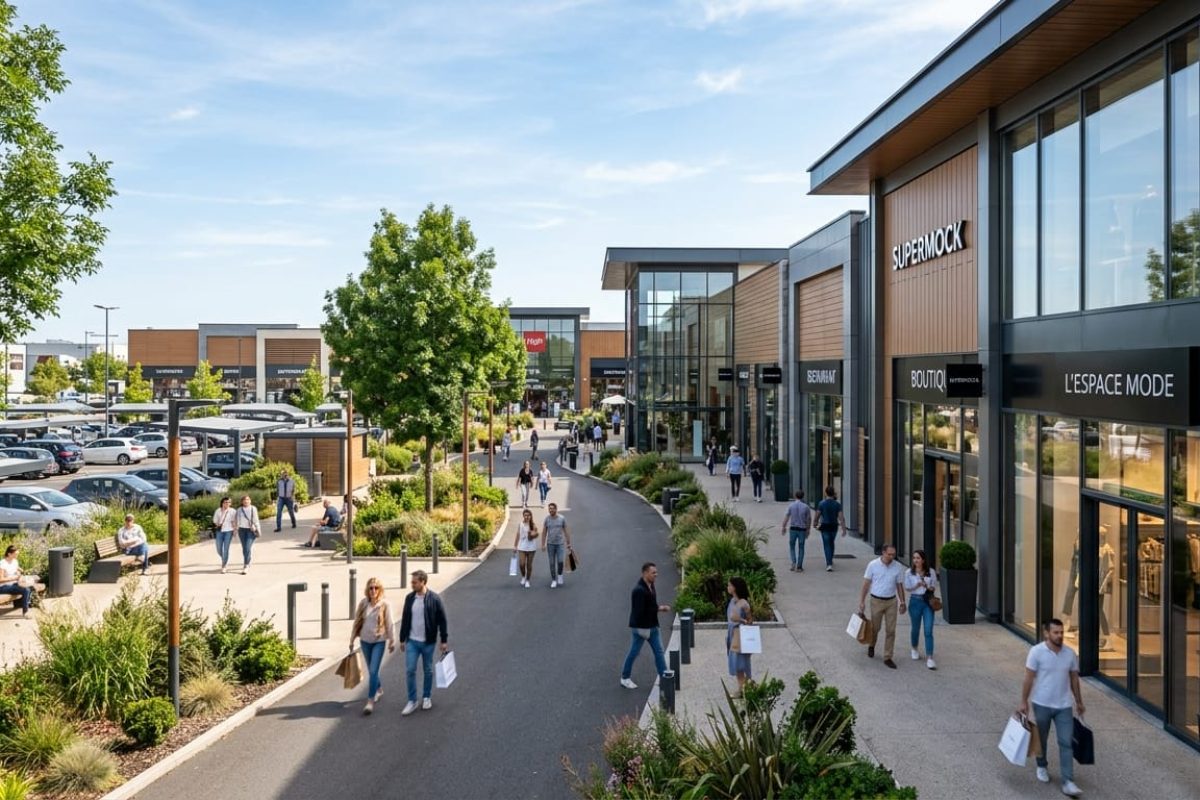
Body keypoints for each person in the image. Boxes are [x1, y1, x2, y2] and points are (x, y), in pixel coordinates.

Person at [1019, 619, 1085, 798]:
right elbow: (1029, 678)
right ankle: (1041, 765)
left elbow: (1074, 679)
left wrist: (1078, 701)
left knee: (1066, 742)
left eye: (1061, 632)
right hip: (1041, 703)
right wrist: (1024, 701)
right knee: (1042, 739)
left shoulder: (1070, 654)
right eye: (1056, 632)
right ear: (1046, 633)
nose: (1060, 635)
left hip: (1064, 705)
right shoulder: (1036, 652)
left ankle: (1068, 781)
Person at [398, 570, 449, 716]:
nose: (412, 584)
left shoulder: (434, 599)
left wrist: (443, 640)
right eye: (412, 582)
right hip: (412, 641)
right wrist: (402, 639)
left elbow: (442, 621)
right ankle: (412, 700)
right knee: (410, 670)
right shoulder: (409, 598)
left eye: (414, 582)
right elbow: (405, 618)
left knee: (428, 670)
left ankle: (426, 697)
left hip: (428, 642)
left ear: (423, 582)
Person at [620, 562, 670, 689]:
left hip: (653, 627)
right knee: (634, 653)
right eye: (653, 573)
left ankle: (664, 677)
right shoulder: (638, 591)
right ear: (645, 573)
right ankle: (625, 678)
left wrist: (656, 609)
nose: (656, 575)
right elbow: (639, 611)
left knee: (659, 652)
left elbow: (651, 604)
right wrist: (660, 608)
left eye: (656, 572)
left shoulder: (651, 585)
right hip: (641, 629)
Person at [350, 577, 395, 715]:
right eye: (371, 588)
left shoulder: (385, 604)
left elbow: (390, 623)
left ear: (380, 589)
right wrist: (352, 640)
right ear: (367, 590)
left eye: (376, 588)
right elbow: (357, 621)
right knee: (371, 669)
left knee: (374, 670)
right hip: (365, 641)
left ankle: (370, 701)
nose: (373, 590)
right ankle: (379, 689)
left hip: (379, 641)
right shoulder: (363, 603)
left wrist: (392, 640)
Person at [857, 544, 906, 668]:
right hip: (876, 600)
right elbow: (866, 584)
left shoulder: (898, 567)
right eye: (889, 554)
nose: (891, 557)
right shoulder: (873, 565)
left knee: (891, 630)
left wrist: (902, 602)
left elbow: (899, 586)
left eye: (893, 554)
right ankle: (872, 645)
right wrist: (862, 601)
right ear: (883, 553)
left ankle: (888, 656)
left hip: (891, 601)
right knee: (875, 628)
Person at [903, 549, 938, 669]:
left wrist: (928, 586)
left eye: (918, 558)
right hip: (915, 601)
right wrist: (917, 585)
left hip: (928, 602)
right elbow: (907, 588)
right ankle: (914, 648)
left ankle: (930, 657)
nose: (915, 560)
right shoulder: (909, 572)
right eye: (914, 558)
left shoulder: (931, 571)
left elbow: (934, 588)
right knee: (916, 628)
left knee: (928, 630)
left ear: (923, 560)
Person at [725, 576, 754, 696]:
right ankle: (744, 687)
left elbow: (750, 621)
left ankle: (743, 689)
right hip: (732, 635)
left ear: (735, 588)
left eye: (729, 585)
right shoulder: (732, 601)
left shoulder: (744, 603)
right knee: (736, 662)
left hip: (739, 635)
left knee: (740, 662)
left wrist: (741, 619)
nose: (728, 587)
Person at [780, 490, 813, 572]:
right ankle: (799, 566)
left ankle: (793, 561)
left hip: (793, 529)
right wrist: (808, 529)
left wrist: (783, 527)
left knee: (792, 546)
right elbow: (809, 519)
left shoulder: (791, 506)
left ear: (795, 496)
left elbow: (787, 517)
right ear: (803, 496)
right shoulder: (806, 507)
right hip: (802, 529)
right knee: (801, 547)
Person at [541, 502, 572, 588]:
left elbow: (566, 530)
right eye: (549, 508)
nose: (550, 510)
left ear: (556, 509)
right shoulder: (547, 519)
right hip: (550, 544)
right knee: (551, 563)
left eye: (552, 508)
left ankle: (560, 575)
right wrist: (543, 544)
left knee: (560, 561)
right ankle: (554, 580)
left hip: (560, 544)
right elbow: (544, 532)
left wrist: (568, 543)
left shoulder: (562, 518)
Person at [816, 486, 846, 571]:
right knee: (831, 542)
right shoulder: (837, 504)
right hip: (834, 526)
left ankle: (828, 563)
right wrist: (843, 529)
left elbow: (818, 514)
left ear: (826, 493)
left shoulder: (821, 503)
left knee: (826, 544)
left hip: (825, 526)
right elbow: (841, 517)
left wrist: (815, 522)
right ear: (833, 493)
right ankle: (830, 559)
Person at [0, 545, 32, 617]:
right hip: (3, 586)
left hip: (13, 584)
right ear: (9, 554)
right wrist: (14, 578)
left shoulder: (15, 561)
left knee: (30, 585)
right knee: (25, 590)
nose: (16, 556)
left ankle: (24, 604)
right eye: (15, 554)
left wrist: (19, 573)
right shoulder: (2, 564)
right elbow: (1, 580)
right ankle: (25, 612)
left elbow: (16, 570)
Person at [512, 508, 539, 588]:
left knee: (529, 565)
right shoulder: (520, 524)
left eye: (528, 515)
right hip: (522, 546)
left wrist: (532, 534)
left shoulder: (533, 525)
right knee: (521, 564)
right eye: (525, 515)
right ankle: (523, 576)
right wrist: (515, 546)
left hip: (531, 547)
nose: (527, 517)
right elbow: (518, 535)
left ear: (531, 516)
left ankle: (527, 580)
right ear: (523, 516)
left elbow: (534, 536)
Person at [235, 494, 261, 575]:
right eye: (244, 500)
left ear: (250, 501)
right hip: (242, 530)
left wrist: (258, 529)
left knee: (247, 547)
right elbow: (237, 520)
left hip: (251, 530)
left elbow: (256, 520)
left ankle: (246, 565)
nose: (246, 501)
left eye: (248, 499)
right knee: (244, 548)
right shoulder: (239, 509)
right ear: (242, 502)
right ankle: (248, 560)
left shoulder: (253, 508)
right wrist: (236, 529)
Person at [212, 496, 236, 572]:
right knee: (218, 549)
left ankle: (224, 565)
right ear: (222, 503)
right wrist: (218, 524)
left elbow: (234, 521)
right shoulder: (218, 511)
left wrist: (235, 530)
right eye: (225, 502)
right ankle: (224, 558)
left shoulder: (232, 511)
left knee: (226, 549)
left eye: (229, 502)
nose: (227, 504)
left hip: (229, 531)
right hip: (219, 531)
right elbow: (214, 520)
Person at [274, 467, 297, 532]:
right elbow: (277, 490)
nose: (284, 475)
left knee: (291, 512)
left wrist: (293, 499)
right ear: (281, 474)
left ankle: (294, 523)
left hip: (289, 498)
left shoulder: (292, 481)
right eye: (283, 473)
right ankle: (278, 527)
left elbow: (293, 490)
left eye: (285, 473)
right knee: (278, 513)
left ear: (287, 474)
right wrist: (277, 498)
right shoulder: (279, 481)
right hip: (281, 498)